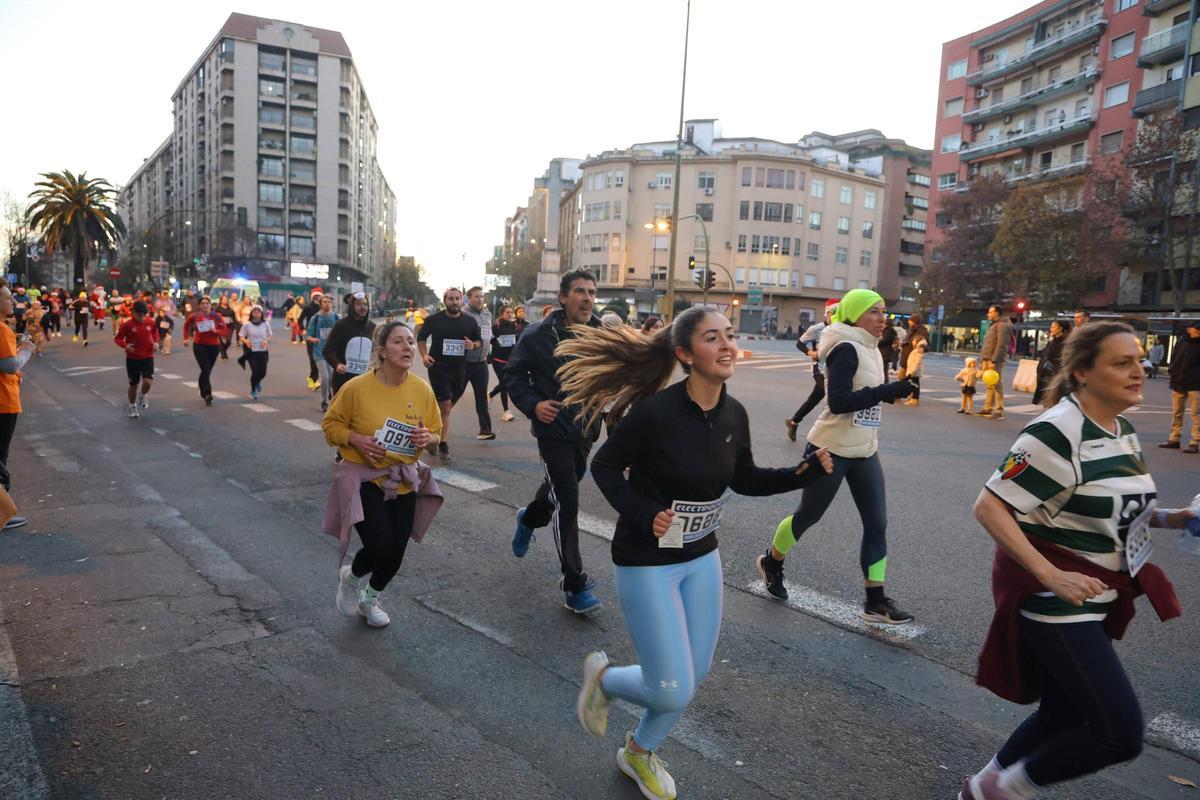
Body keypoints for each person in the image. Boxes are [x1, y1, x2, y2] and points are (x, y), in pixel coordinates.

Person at [565, 307, 834, 800]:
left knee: (695, 672)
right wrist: (643, 512)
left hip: (700, 557)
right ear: (686, 354)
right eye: (713, 338)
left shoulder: (734, 413)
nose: (727, 345)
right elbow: (604, 467)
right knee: (672, 686)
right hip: (647, 560)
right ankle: (604, 679)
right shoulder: (654, 414)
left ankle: (638, 752)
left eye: (729, 336)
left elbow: (744, 478)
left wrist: (803, 475)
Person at [964, 321, 1189, 800]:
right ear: (1083, 372)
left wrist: (1178, 518)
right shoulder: (1056, 432)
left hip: (1099, 593)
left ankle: (980, 790)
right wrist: (1051, 575)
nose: (1139, 370)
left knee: (1063, 714)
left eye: (1140, 359)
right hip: (1055, 600)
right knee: (1119, 733)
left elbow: (1120, 510)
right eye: (1122, 362)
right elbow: (989, 505)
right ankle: (1000, 792)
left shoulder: (1120, 429)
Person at [755, 289, 917, 623]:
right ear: (855, 313)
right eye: (874, 311)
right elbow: (839, 401)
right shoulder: (845, 346)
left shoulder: (872, 347)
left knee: (877, 523)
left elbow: (865, 395)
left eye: (883, 311)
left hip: (865, 448)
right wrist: (889, 391)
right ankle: (772, 561)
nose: (882, 318)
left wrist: (892, 391)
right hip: (830, 448)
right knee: (807, 516)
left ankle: (875, 601)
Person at [323, 320, 443, 628]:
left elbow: (436, 435)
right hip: (364, 478)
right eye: (398, 342)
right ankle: (351, 577)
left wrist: (426, 439)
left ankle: (369, 598)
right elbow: (331, 426)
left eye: (409, 342)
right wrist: (356, 439)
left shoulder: (421, 389)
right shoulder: (356, 388)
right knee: (380, 546)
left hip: (403, 479)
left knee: (395, 555)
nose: (407, 348)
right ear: (382, 350)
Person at [505, 269, 604, 613]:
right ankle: (574, 583)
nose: (588, 298)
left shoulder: (602, 333)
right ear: (563, 298)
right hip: (553, 431)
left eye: (592, 292)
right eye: (580, 291)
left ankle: (528, 519)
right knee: (568, 499)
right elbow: (513, 375)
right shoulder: (538, 335)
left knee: (560, 487)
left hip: (586, 430)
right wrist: (534, 404)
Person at [416, 287, 482, 458]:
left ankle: (432, 436)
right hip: (438, 369)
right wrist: (424, 356)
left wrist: (472, 345)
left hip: (460, 370)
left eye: (457, 299)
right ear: (445, 301)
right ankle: (442, 443)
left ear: (462, 300)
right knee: (445, 406)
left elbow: (478, 341)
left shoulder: (469, 322)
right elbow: (421, 338)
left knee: (445, 408)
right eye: (451, 299)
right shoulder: (434, 320)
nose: (454, 302)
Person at [0, 285, 34, 529]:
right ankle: (3, 515)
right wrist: (27, 350)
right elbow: (10, 365)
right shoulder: (1, 329)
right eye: (7, 297)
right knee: (0, 461)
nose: (13, 300)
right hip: (3, 401)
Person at [785, 300, 836, 442]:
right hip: (819, 370)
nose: (835, 316)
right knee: (833, 397)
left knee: (814, 399)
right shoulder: (817, 329)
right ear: (827, 314)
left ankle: (794, 421)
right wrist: (810, 353)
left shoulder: (840, 330)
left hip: (833, 370)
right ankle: (824, 435)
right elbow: (800, 344)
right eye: (832, 313)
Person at [324, 291, 376, 397]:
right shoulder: (341, 325)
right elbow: (328, 350)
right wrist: (337, 364)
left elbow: (376, 352)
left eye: (365, 304)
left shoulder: (372, 327)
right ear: (352, 306)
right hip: (343, 380)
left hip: (365, 380)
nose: (363, 307)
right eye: (359, 304)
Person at [1159, 321, 1200, 454]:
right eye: (1196, 329)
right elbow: (1175, 358)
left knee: (1196, 414)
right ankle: (1174, 439)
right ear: (1189, 329)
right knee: (1177, 412)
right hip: (1178, 382)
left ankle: (1194, 443)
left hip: (1196, 384)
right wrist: (1172, 370)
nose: (1198, 331)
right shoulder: (1181, 343)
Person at [114, 300, 159, 418]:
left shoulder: (150, 322)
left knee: (148, 382)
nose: (142, 318)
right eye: (140, 315)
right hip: (133, 358)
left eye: (145, 315)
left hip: (148, 357)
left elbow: (155, 333)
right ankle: (132, 406)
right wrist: (125, 345)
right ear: (133, 313)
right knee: (133, 385)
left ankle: (143, 394)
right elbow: (118, 339)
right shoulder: (127, 325)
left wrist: (155, 343)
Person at [461, 286, 495, 441]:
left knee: (482, 398)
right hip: (464, 363)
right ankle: (437, 425)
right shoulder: (463, 314)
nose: (480, 299)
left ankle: (485, 430)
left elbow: (489, 337)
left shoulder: (487, 314)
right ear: (469, 298)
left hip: (481, 364)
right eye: (476, 296)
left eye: (482, 296)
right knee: (454, 395)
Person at [182, 296, 229, 406]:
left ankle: (202, 384)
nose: (205, 305)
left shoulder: (216, 316)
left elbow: (224, 330)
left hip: (213, 346)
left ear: (210, 305)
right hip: (199, 346)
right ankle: (207, 394)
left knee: (207, 371)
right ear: (199, 306)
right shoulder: (194, 316)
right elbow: (186, 326)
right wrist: (185, 338)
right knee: (205, 369)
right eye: (202, 303)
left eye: (207, 303)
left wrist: (216, 331)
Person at [979, 305, 1013, 420]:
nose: (988, 314)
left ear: (997, 313)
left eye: (990, 312)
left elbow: (1001, 344)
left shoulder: (1002, 325)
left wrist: (994, 360)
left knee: (997, 384)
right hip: (988, 358)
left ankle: (998, 409)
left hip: (994, 359)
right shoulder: (993, 324)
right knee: (989, 384)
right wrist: (983, 359)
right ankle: (987, 407)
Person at [305, 294, 338, 411]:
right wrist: (314, 339)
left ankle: (331, 395)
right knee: (325, 377)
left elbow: (341, 333)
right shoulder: (316, 318)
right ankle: (324, 402)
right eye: (324, 302)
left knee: (332, 378)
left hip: (332, 353)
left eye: (329, 302)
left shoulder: (335, 317)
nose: (327, 304)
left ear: (332, 304)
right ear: (320, 304)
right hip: (319, 353)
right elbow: (307, 335)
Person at [488, 305, 517, 422]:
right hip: (498, 359)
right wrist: (498, 341)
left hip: (510, 360)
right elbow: (490, 339)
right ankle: (506, 411)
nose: (510, 314)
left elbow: (518, 339)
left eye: (511, 312)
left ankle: (490, 395)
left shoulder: (515, 326)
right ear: (502, 314)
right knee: (504, 383)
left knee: (507, 382)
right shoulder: (496, 326)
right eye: (507, 312)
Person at [239, 305, 272, 400]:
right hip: (251, 350)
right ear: (251, 313)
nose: (256, 313)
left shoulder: (266, 324)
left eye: (258, 311)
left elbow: (270, 335)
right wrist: (246, 342)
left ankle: (257, 382)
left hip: (262, 349)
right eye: (254, 311)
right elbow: (241, 336)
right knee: (255, 371)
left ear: (261, 314)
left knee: (263, 372)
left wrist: (266, 341)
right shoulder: (247, 324)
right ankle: (253, 391)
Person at [1032, 321, 1069, 406]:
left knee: (1053, 401)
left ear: (1060, 328)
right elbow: (1045, 354)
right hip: (1046, 373)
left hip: (1054, 374)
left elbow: (1053, 356)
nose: (1051, 329)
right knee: (1047, 401)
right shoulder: (1053, 340)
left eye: (1053, 327)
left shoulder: (1064, 342)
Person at [898, 313, 929, 408]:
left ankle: (913, 398)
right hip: (907, 357)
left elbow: (924, 344)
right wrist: (903, 344)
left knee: (913, 379)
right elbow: (910, 341)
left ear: (915, 321)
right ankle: (909, 395)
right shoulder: (911, 330)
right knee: (907, 378)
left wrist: (921, 348)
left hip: (913, 358)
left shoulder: (921, 332)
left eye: (910, 320)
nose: (908, 322)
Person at [299, 289, 324, 389]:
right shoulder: (308, 307)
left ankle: (312, 377)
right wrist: (303, 330)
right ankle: (314, 379)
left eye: (319, 297)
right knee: (313, 358)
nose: (318, 298)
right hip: (311, 335)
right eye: (316, 296)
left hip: (322, 337)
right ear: (313, 297)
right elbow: (300, 320)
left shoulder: (324, 308)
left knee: (322, 358)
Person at [215, 295, 237, 360]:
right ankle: (223, 355)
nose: (225, 300)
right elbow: (213, 317)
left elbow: (233, 318)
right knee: (220, 341)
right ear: (221, 300)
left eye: (226, 299)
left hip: (229, 326)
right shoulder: (217, 308)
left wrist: (235, 326)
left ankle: (223, 351)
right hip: (220, 326)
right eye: (223, 299)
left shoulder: (230, 309)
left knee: (228, 341)